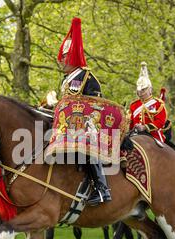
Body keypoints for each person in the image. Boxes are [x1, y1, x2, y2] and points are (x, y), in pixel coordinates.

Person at [56, 17, 110, 206]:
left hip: (88, 127)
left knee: (86, 147)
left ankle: (102, 189)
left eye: (63, 56)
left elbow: (96, 103)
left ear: (71, 57)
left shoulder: (87, 76)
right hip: (66, 127)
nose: (60, 60)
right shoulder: (66, 79)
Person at [129, 62, 167, 144]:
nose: (141, 93)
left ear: (150, 89)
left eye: (143, 90)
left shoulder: (158, 104)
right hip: (135, 135)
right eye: (139, 90)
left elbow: (160, 122)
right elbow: (130, 123)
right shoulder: (134, 105)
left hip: (153, 136)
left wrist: (145, 127)